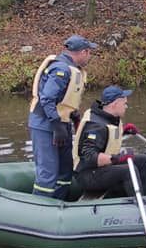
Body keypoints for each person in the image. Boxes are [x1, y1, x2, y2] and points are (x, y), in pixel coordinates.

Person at [28, 34, 97, 199]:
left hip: (62, 123)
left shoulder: (73, 70)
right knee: (48, 173)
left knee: (65, 171)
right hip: (46, 125)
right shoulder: (61, 69)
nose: (90, 56)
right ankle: (37, 212)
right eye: (89, 52)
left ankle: (59, 206)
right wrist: (56, 124)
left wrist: (72, 115)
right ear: (83, 52)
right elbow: (47, 98)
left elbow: (63, 99)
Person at [73, 85, 146, 198]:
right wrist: (117, 158)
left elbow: (106, 139)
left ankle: (127, 195)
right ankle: (136, 202)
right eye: (124, 103)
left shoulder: (108, 116)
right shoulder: (96, 126)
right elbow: (89, 157)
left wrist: (123, 132)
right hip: (88, 175)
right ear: (115, 104)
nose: (126, 106)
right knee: (127, 170)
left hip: (103, 168)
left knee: (143, 160)